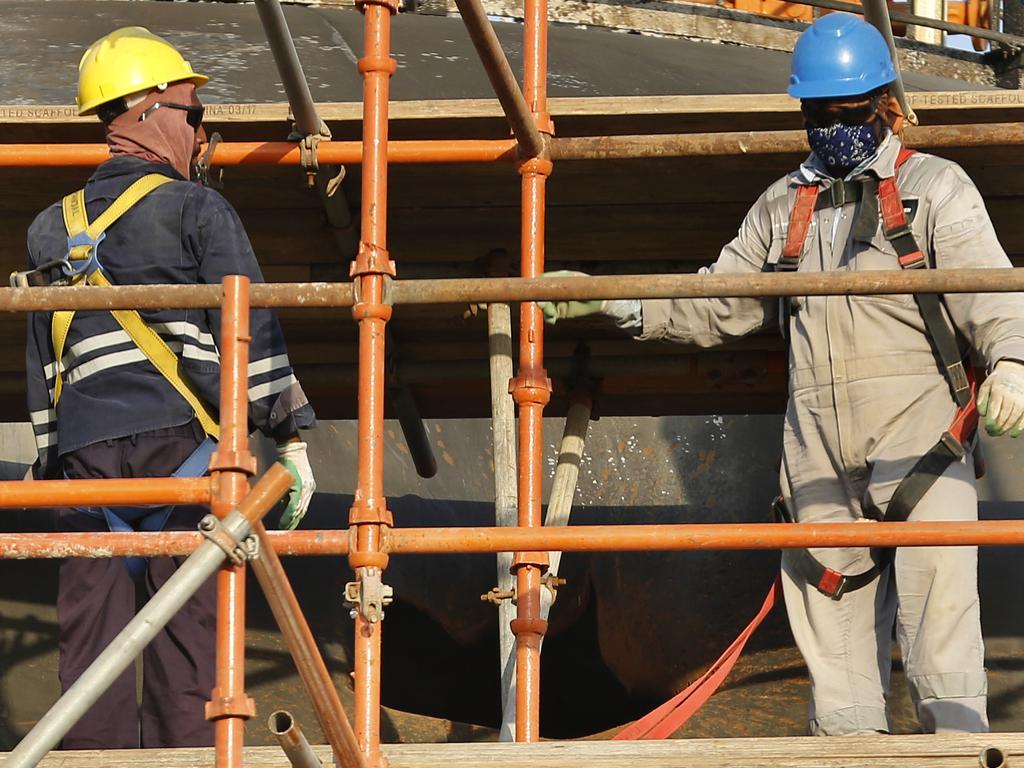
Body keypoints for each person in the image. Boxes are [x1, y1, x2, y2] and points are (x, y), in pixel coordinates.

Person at [540, 13, 1024, 735]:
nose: (833, 125)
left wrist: (1014, 360)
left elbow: (992, 292)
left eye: (847, 110)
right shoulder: (781, 209)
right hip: (816, 464)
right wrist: (616, 299)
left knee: (943, 639)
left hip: (922, 449)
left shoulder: (936, 190)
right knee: (836, 663)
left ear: (881, 103)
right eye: (818, 112)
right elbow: (715, 303)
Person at [20, 27, 317, 749]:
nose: (202, 131)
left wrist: (51, 461)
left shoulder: (47, 231)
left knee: (90, 666)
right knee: (191, 658)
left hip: (84, 472)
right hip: (185, 457)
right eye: (193, 113)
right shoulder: (197, 211)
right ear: (149, 110)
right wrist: (293, 439)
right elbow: (251, 330)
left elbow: (45, 365)